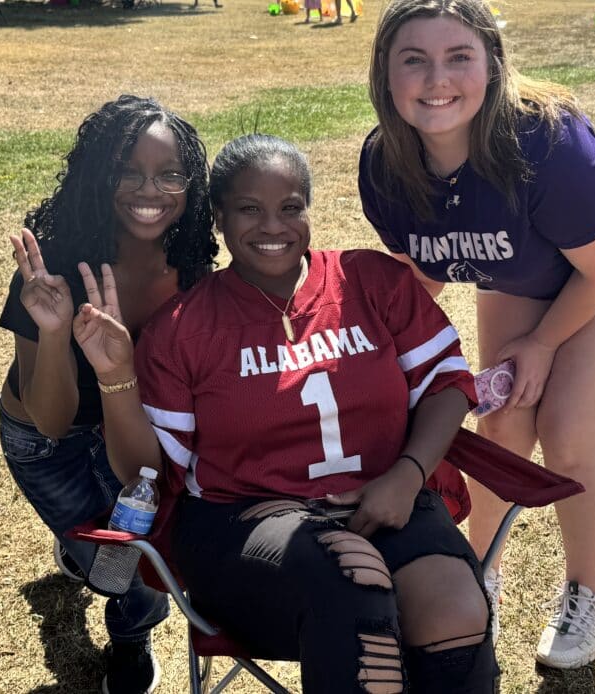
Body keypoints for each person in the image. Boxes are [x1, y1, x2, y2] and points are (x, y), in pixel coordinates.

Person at [72, 134, 499, 693]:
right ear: (219, 217)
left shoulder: (372, 282)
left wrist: (408, 474)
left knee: (456, 608)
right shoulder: (184, 328)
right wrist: (114, 375)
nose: (273, 226)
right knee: (352, 579)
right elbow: (143, 472)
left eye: (290, 207)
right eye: (249, 209)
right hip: (243, 525)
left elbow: (446, 383)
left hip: (388, 497)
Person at [359, 0, 595, 671]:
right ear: (384, 74)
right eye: (414, 60)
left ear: (492, 65)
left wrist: (542, 344)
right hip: (526, 260)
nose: (437, 79)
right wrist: (376, 355)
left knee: (567, 433)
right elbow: (423, 275)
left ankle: (587, 591)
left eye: (458, 57)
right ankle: (478, 568)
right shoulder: (384, 163)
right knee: (502, 428)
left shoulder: (543, 142)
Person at [0, 95, 218, 694]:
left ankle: (129, 635)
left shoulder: (191, 262)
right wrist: (54, 331)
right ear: (100, 174)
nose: (150, 191)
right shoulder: (57, 262)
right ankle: (83, 555)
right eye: (128, 171)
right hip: (48, 439)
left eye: (170, 174)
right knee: (112, 564)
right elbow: (50, 420)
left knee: (141, 564)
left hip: (130, 425)